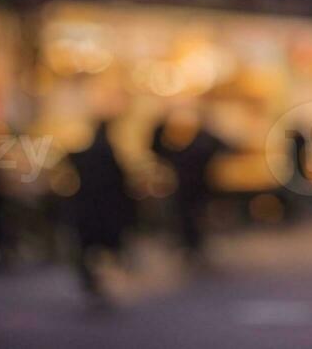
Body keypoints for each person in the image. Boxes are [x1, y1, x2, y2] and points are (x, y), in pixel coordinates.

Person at [66, 120, 137, 307]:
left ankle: (91, 282)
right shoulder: (107, 153)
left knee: (89, 248)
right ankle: (101, 281)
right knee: (109, 248)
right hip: (105, 209)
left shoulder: (87, 154)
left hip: (89, 209)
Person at [150, 110, 227, 266]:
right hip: (194, 191)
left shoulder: (191, 151)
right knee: (191, 221)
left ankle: (192, 248)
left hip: (190, 191)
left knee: (190, 221)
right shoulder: (199, 148)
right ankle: (192, 248)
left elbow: (162, 152)